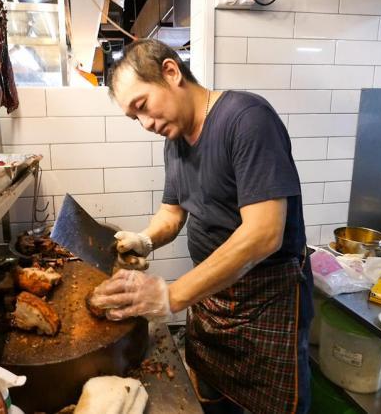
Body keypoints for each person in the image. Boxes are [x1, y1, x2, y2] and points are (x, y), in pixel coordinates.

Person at [90, 39, 314, 414]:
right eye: (134, 118)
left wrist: (173, 295)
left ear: (171, 72)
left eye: (142, 106)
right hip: (211, 295)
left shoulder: (247, 119)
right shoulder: (175, 140)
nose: (145, 124)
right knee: (210, 394)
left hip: (265, 299)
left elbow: (264, 234)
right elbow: (172, 213)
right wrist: (145, 239)